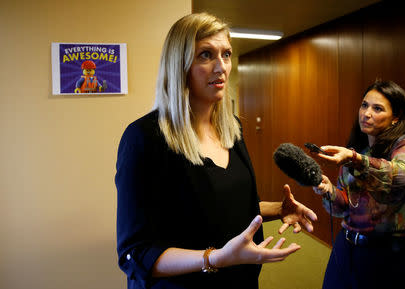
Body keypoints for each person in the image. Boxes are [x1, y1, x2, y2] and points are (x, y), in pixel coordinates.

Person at [115, 12, 318, 289]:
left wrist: (277, 209)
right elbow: (136, 254)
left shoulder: (231, 129)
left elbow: (225, 208)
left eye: (226, 54)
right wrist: (216, 258)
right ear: (179, 65)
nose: (220, 66)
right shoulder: (143, 139)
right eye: (205, 55)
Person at [313, 80, 405, 289]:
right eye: (364, 105)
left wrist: (354, 160)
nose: (366, 113)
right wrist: (328, 190)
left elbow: (402, 177)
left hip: (384, 253)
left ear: (395, 117)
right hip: (346, 246)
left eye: (377, 108)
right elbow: (343, 206)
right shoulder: (358, 149)